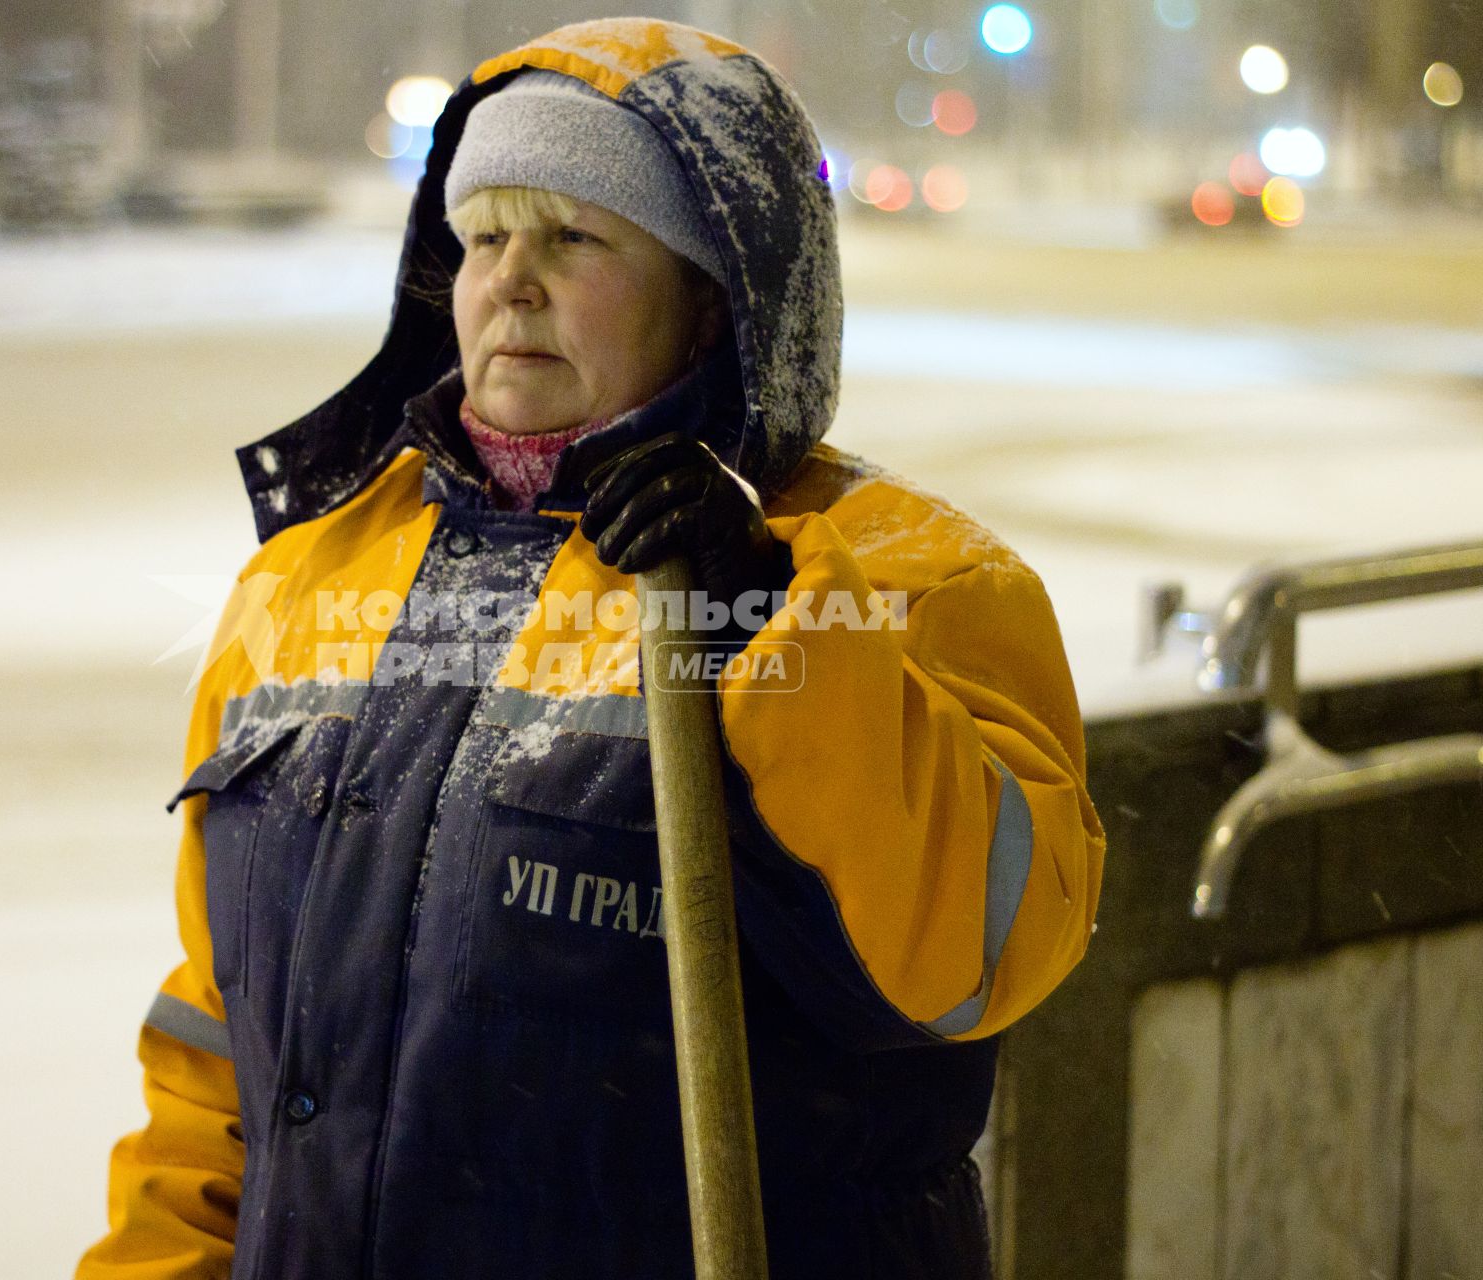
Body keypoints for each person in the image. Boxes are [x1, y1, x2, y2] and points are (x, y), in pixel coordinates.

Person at [78, 17, 1104, 1280]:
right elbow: (219, 1052)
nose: (513, 280)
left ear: (715, 299)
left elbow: (977, 954)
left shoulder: (901, 580)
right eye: (486, 237)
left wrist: (768, 628)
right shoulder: (311, 581)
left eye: (576, 237)